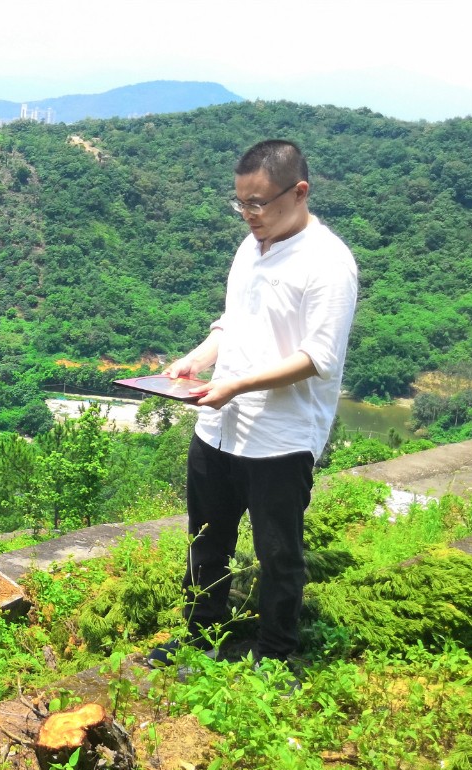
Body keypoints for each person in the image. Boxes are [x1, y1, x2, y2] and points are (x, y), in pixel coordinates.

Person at [149, 139, 358, 667]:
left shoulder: (328, 264)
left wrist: (237, 385)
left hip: (280, 439)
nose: (248, 215)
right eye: (240, 203)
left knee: (278, 556)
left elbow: (318, 357)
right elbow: (233, 322)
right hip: (218, 427)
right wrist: (196, 359)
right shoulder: (250, 247)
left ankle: (276, 655)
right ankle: (202, 641)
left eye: (258, 203)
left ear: (300, 191)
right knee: (206, 543)